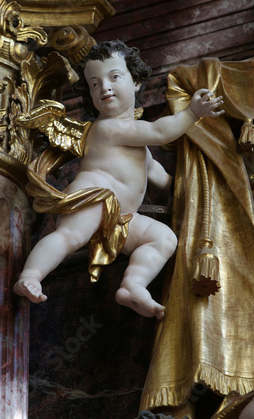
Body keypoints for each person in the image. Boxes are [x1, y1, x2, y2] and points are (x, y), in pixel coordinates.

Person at [14, 40, 224, 319]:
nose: (105, 87)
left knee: (163, 239)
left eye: (114, 77)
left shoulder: (138, 144)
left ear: (136, 81)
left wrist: (193, 183)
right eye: (95, 83)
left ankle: (133, 285)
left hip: (121, 216)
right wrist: (193, 113)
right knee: (69, 237)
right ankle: (31, 275)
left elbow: (160, 176)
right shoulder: (109, 128)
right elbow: (162, 132)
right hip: (94, 197)